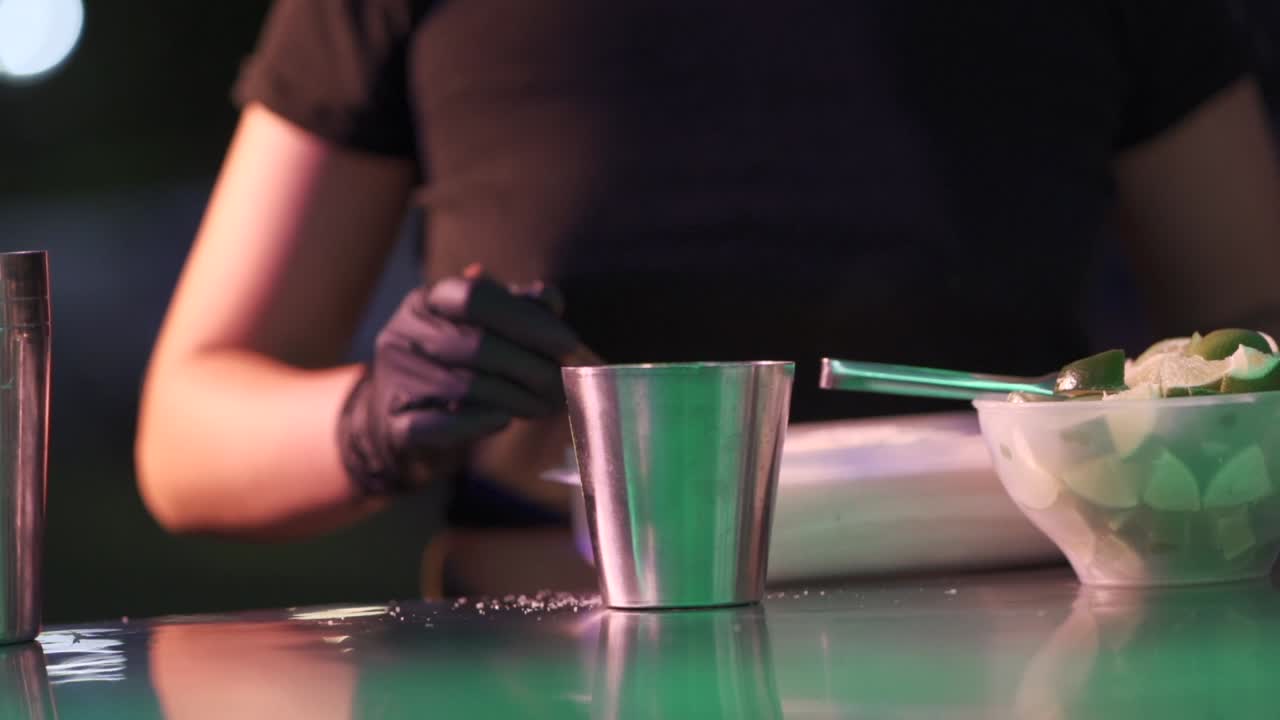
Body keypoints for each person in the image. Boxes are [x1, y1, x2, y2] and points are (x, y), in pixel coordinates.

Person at [136, 0, 1280, 593]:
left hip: (1023, 664)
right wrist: (367, 421)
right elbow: (186, 433)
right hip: (548, 672)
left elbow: (1252, 327)